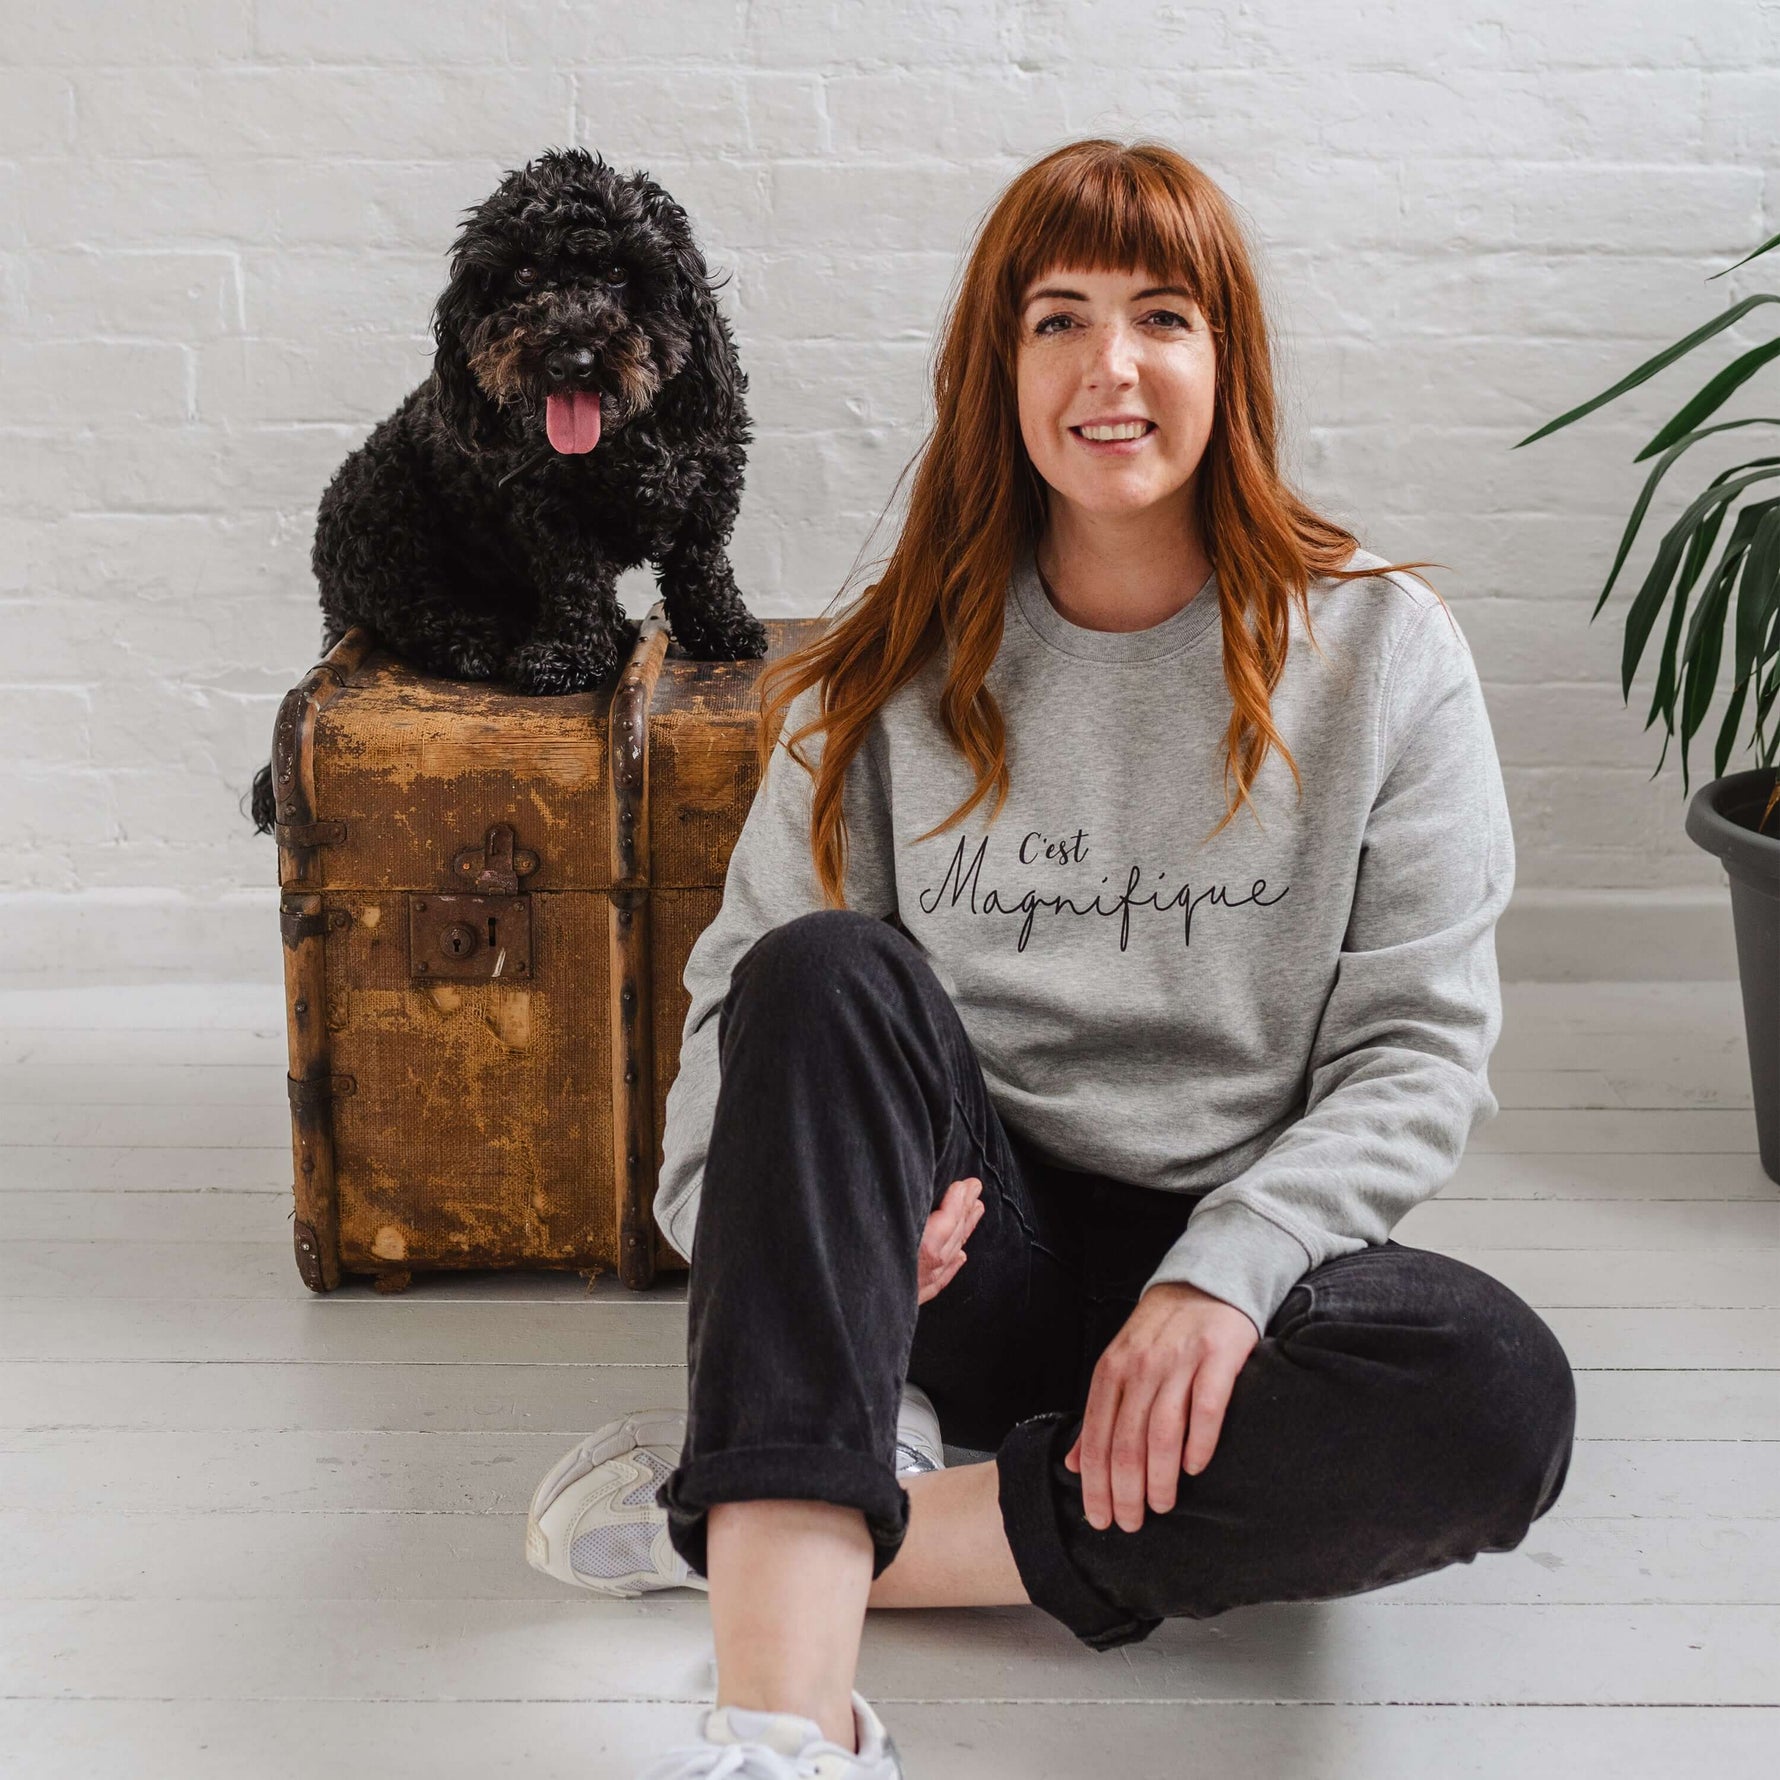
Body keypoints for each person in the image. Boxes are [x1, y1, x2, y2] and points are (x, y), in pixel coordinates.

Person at [525, 137, 1577, 1779]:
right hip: (953, 1264)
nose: (1112, 367)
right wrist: (845, 1226)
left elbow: (1417, 1053)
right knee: (821, 976)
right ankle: (785, 1726)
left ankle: (780, 1511)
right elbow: (742, 1026)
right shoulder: (888, 669)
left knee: (1491, 1392)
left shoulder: (1381, 651)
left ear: (1228, 359)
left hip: (1237, 1291)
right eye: (1056, 319)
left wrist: (1220, 1274)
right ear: (995, 370)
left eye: (1162, 315)